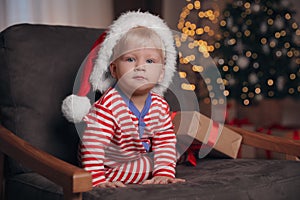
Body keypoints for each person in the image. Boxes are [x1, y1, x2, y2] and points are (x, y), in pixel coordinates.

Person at [62, 11, 185, 188]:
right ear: (114, 70)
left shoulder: (159, 106)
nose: (140, 67)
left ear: (161, 74)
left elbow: (164, 142)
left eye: (150, 61)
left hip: (134, 160)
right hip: (105, 165)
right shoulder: (109, 105)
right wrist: (97, 181)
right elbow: (92, 145)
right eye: (130, 59)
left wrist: (163, 173)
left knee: (167, 150)